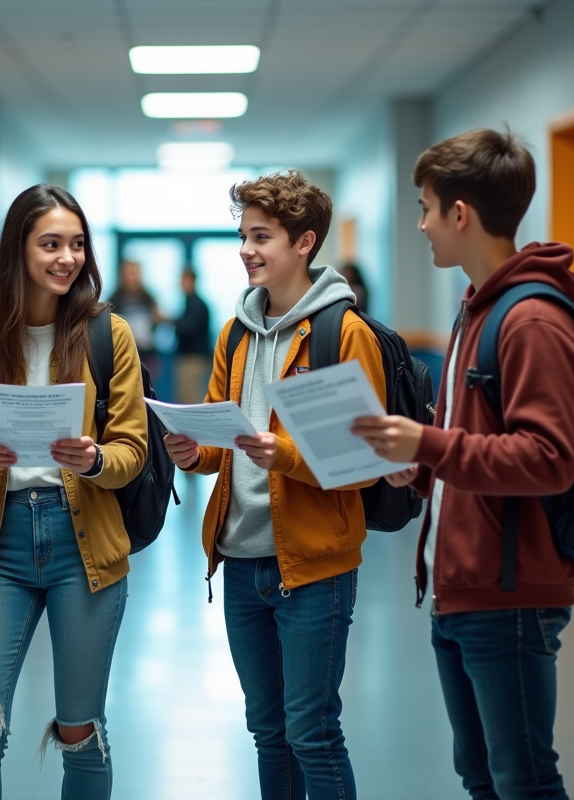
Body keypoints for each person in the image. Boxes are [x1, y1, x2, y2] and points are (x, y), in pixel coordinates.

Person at [353, 129, 574, 800]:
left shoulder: (531, 319)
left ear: (460, 214)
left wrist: (426, 446)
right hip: (462, 588)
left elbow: (548, 459)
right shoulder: (474, 311)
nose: (420, 224)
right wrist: (419, 469)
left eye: (425, 207)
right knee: (482, 777)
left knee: (525, 780)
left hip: (508, 594)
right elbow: (474, 443)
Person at [163, 170, 386, 800]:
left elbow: (363, 460)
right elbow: (219, 439)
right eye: (243, 235)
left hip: (314, 567)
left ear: (305, 242)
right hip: (240, 562)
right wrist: (192, 450)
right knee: (268, 731)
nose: (246, 249)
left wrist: (281, 454)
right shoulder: (234, 333)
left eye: (262, 236)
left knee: (312, 731)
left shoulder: (344, 335)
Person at [0, 184, 147, 800]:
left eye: (77, 244)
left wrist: (92, 459)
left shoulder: (108, 336)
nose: (67, 258)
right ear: (18, 251)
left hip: (81, 547)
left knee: (78, 727)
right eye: (50, 243)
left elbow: (132, 453)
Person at [107, 259, 162, 373]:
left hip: (146, 353)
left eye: (135, 273)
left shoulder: (148, 298)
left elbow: (156, 323)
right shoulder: (114, 299)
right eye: (129, 273)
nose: (132, 277)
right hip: (122, 354)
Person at [172, 267, 213, 405]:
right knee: (185, 398)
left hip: (194, 359)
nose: (181, 284)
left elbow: (187, 328)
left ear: (192, 281)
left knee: (191, 401)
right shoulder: (189, 303)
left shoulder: (197, 305)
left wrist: (169, 321)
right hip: (188, 358)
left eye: (184, 280)